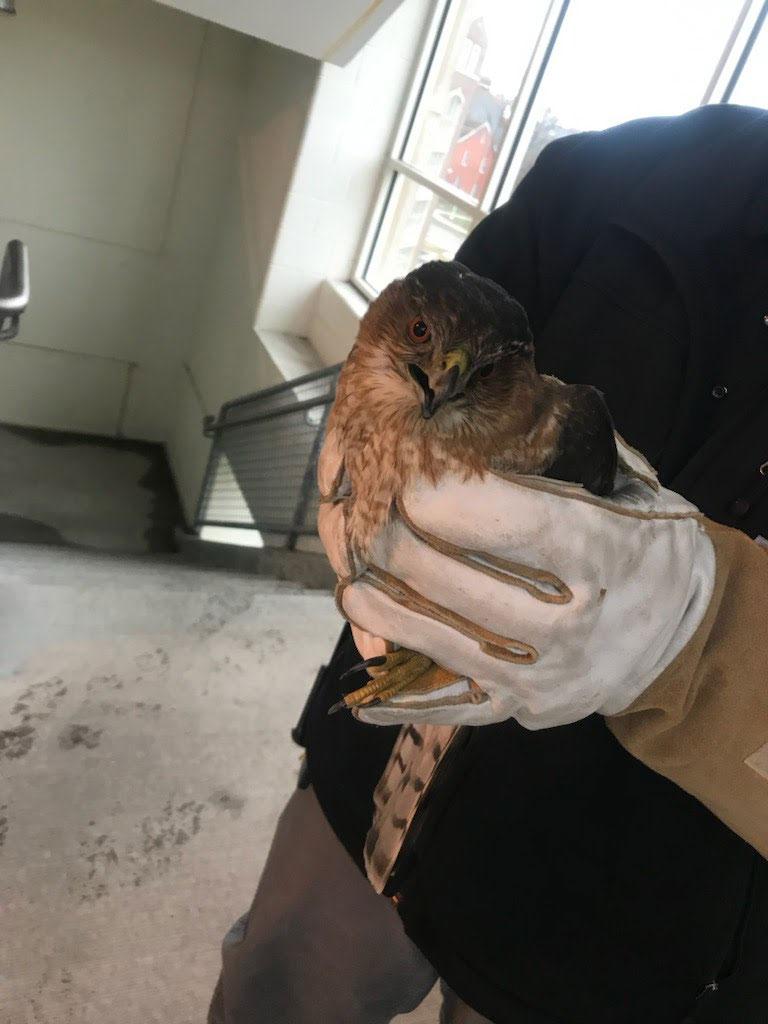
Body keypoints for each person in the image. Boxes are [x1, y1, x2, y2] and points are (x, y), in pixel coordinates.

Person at [208, 103, 768, 1024]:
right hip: (391, 759)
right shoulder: (627, 175)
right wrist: (367, 439)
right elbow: (421, 329)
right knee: (279, 988)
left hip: (641, 921)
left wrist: (705, 640)